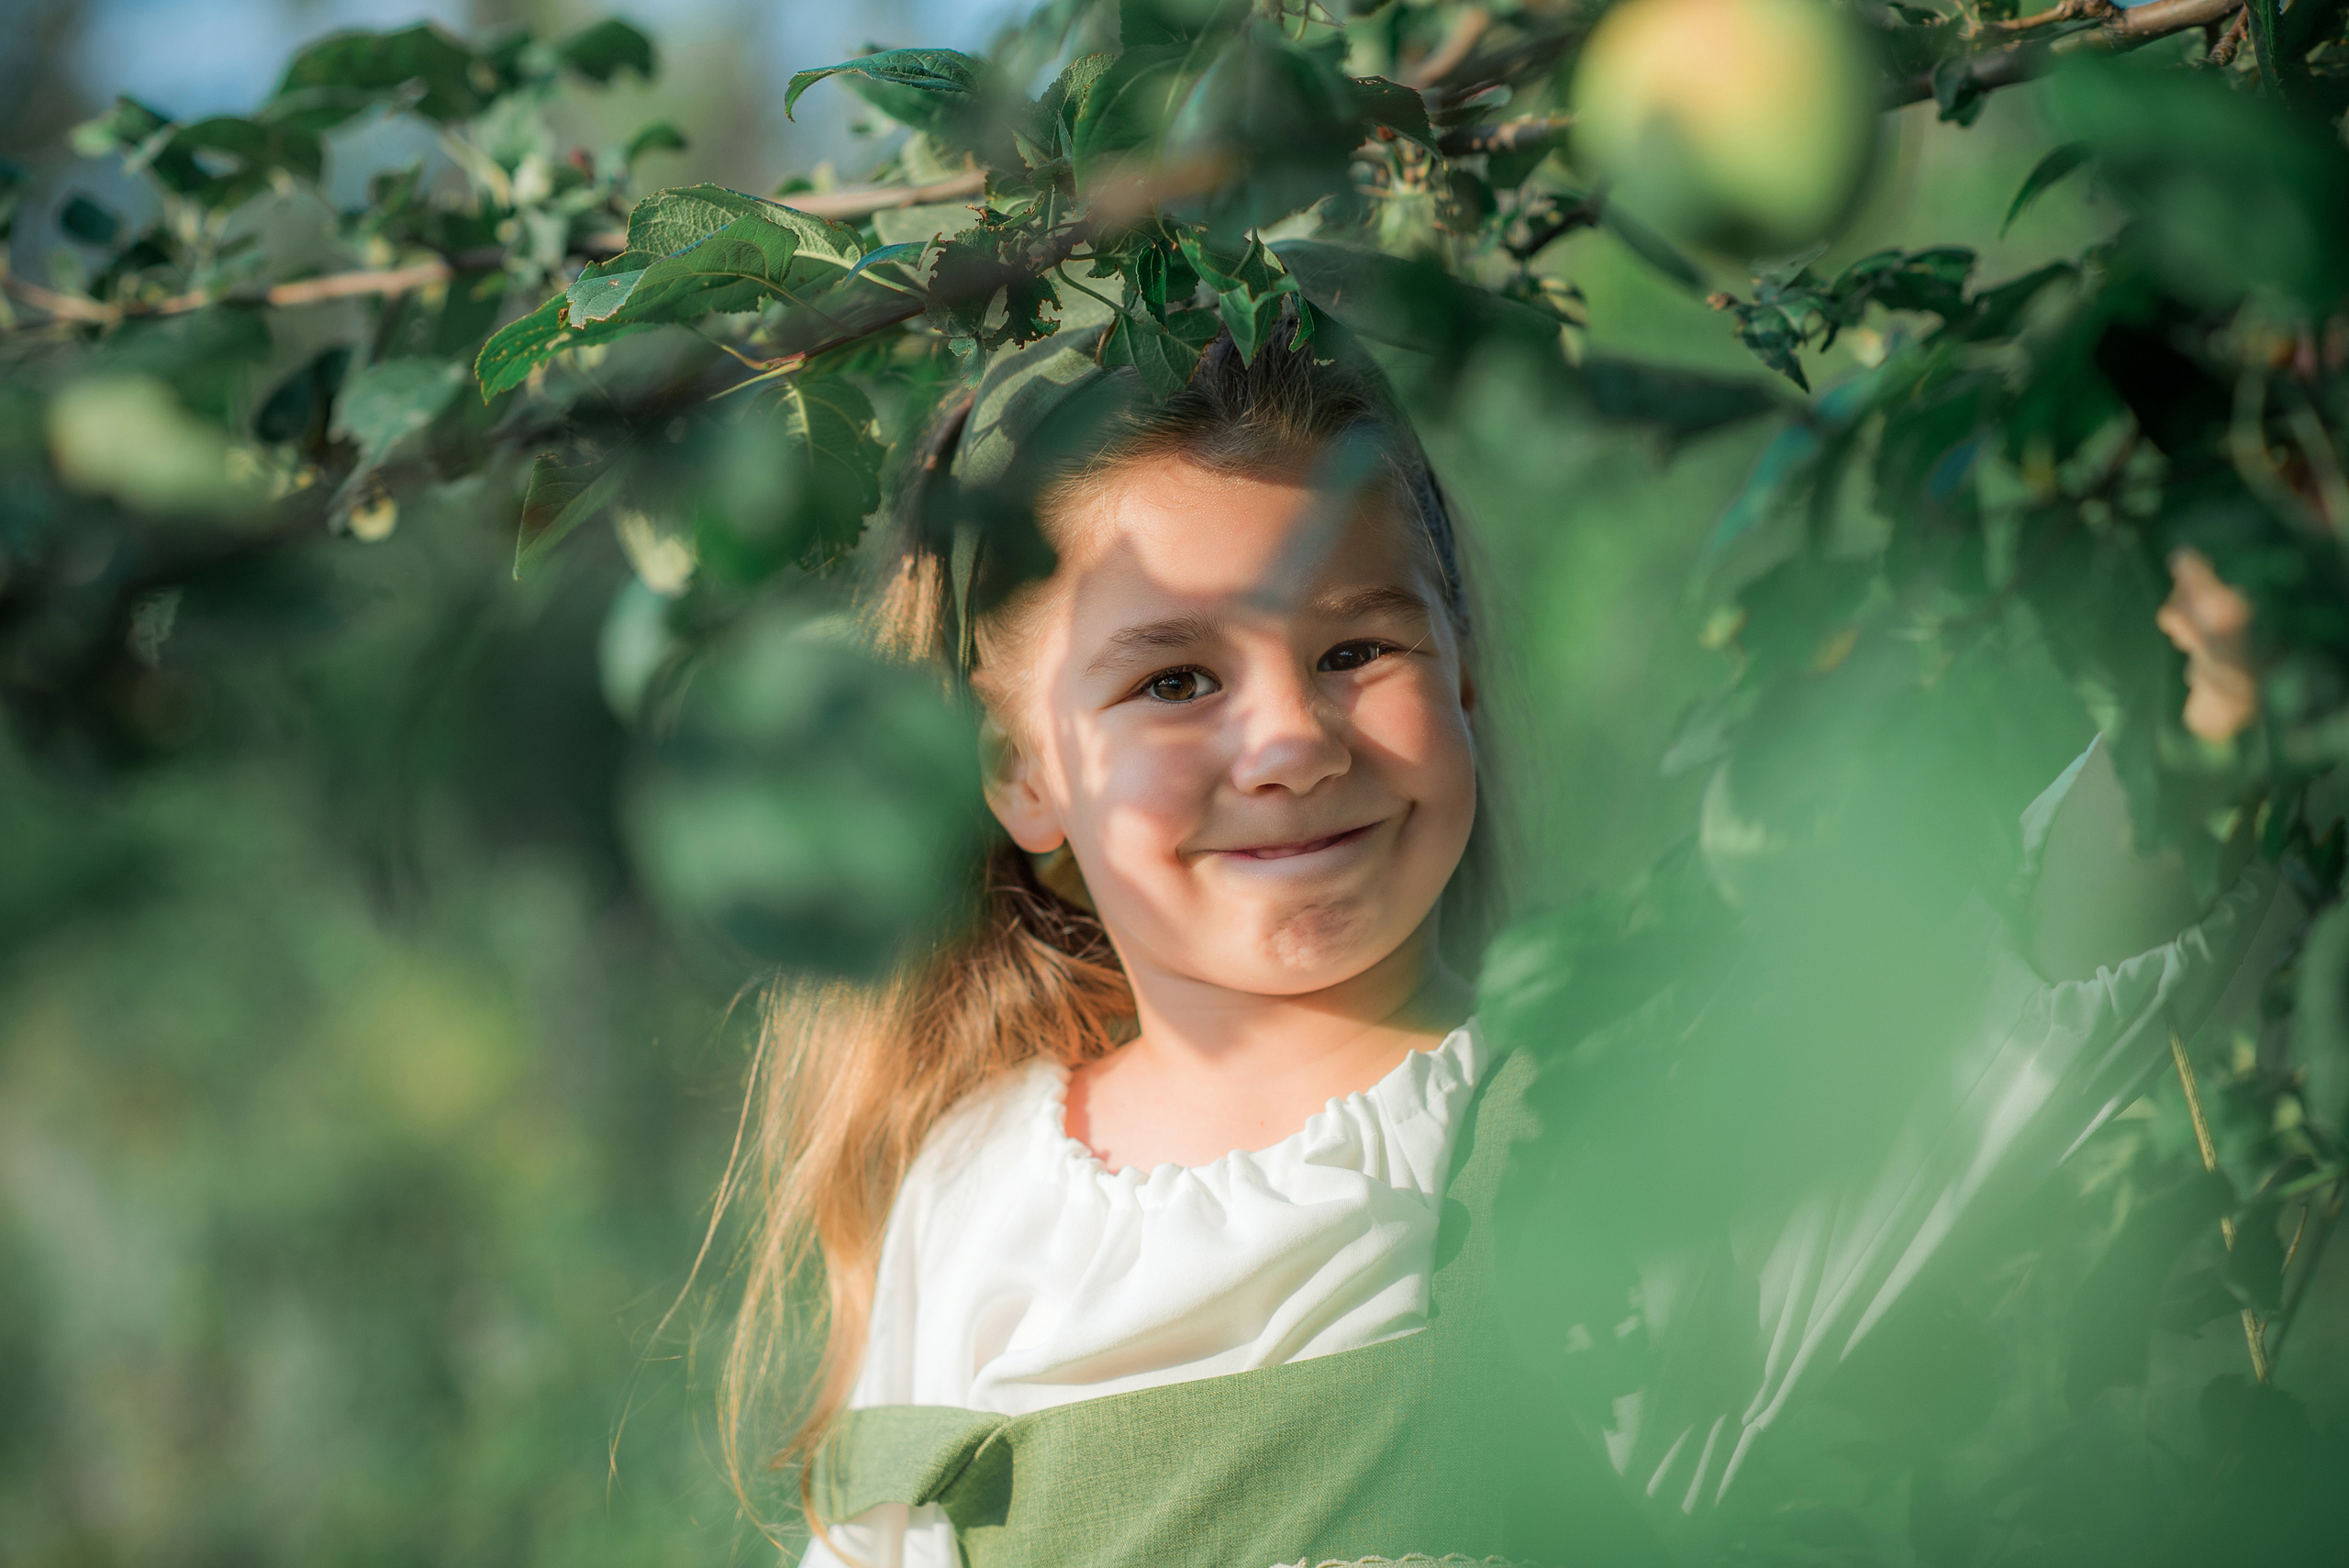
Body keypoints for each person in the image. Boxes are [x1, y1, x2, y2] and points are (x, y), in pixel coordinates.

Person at [712, 315, 2282, 1568]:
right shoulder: (980, 1190)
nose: (1290, 744)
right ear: (1019, 773)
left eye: (1356, 647)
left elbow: (2010, 984)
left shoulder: (1588, 1142)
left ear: (1461, 676)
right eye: (1174, 681)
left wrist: (2239, 659)